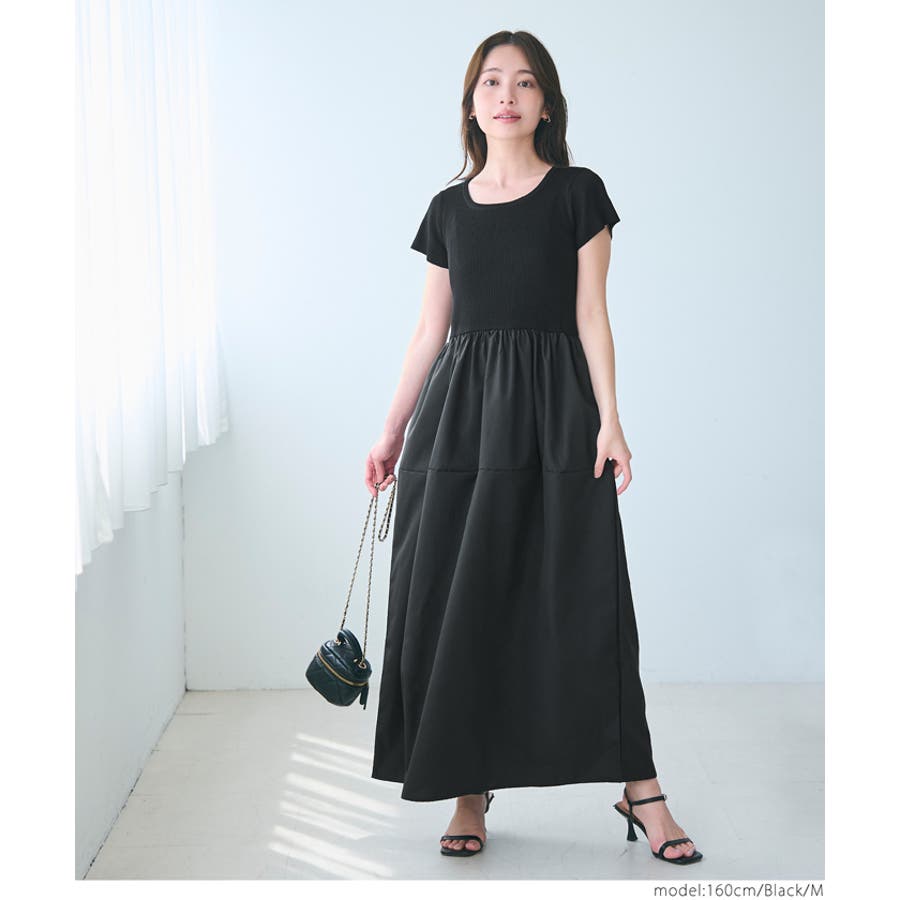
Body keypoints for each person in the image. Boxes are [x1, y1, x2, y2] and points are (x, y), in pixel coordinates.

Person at [363, 30, 702, 866]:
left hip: (556, 415)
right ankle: (468, 787)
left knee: (586, 598)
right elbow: (429, 332)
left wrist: (611, 420)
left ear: (547, 103)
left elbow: (592, 315)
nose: (506, 95)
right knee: (461, 601)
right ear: (472, 103)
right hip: (459, 423)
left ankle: (640, 786)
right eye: (491, 82)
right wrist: (392, 430)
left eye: (523, 82)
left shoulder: (578, 194)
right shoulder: (447, 210)